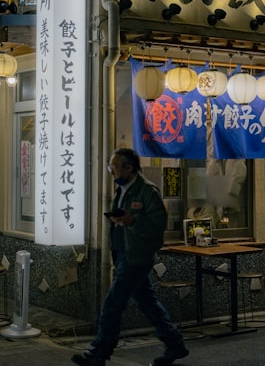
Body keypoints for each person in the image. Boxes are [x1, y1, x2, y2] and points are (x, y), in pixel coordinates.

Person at [72, 147, 188, 366]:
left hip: (138, 257)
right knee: (148, 302)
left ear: (129, 168)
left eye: (114, 168)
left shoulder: (147, 191)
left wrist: (133, 221)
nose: (111, 172)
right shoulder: (123, 189)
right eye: (110, 168)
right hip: (124, 254)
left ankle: (99, 352)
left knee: (113, 303)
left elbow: (157, 226)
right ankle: (175, 344)